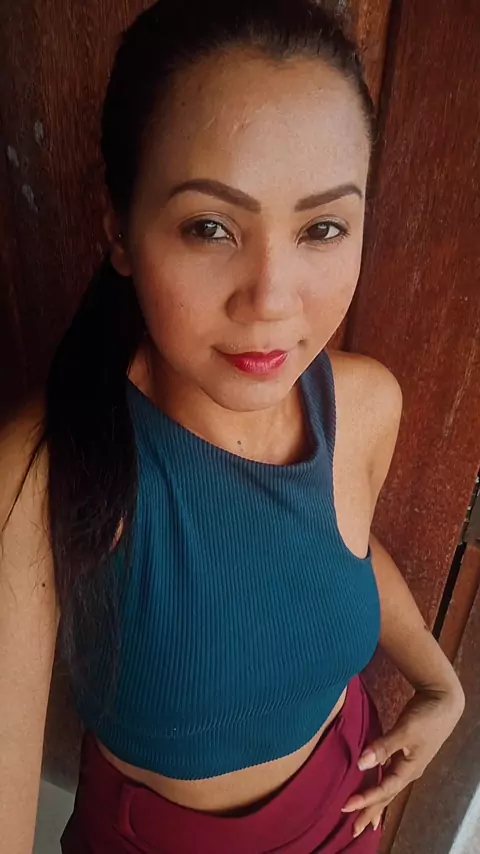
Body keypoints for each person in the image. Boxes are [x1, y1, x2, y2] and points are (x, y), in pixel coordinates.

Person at [0, 1, 465, 852]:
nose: (272, 300)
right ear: (119, 228)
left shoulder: (365, 404)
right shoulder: (42, 470)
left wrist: (442, 684)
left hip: (347, 805)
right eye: (210, 227)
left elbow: (342, 551)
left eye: (322, 228)